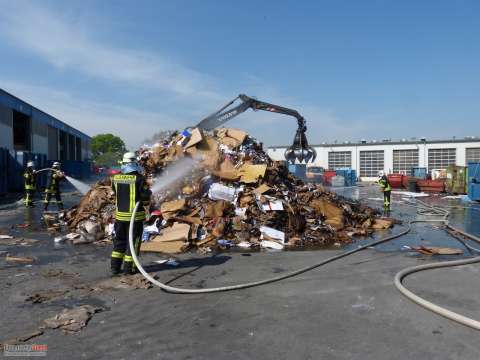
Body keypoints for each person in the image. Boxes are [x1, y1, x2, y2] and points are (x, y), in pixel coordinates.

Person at [111, 152, 151, 276]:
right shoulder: (139, 179)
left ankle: (115, 268)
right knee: (133, 243)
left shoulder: (116, 178)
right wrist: (147, 195)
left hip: (120, 217)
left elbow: (115, 192)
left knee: (119, 241)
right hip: (135, 219)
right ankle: (130, 268)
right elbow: (145, 200)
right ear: (135, 163)